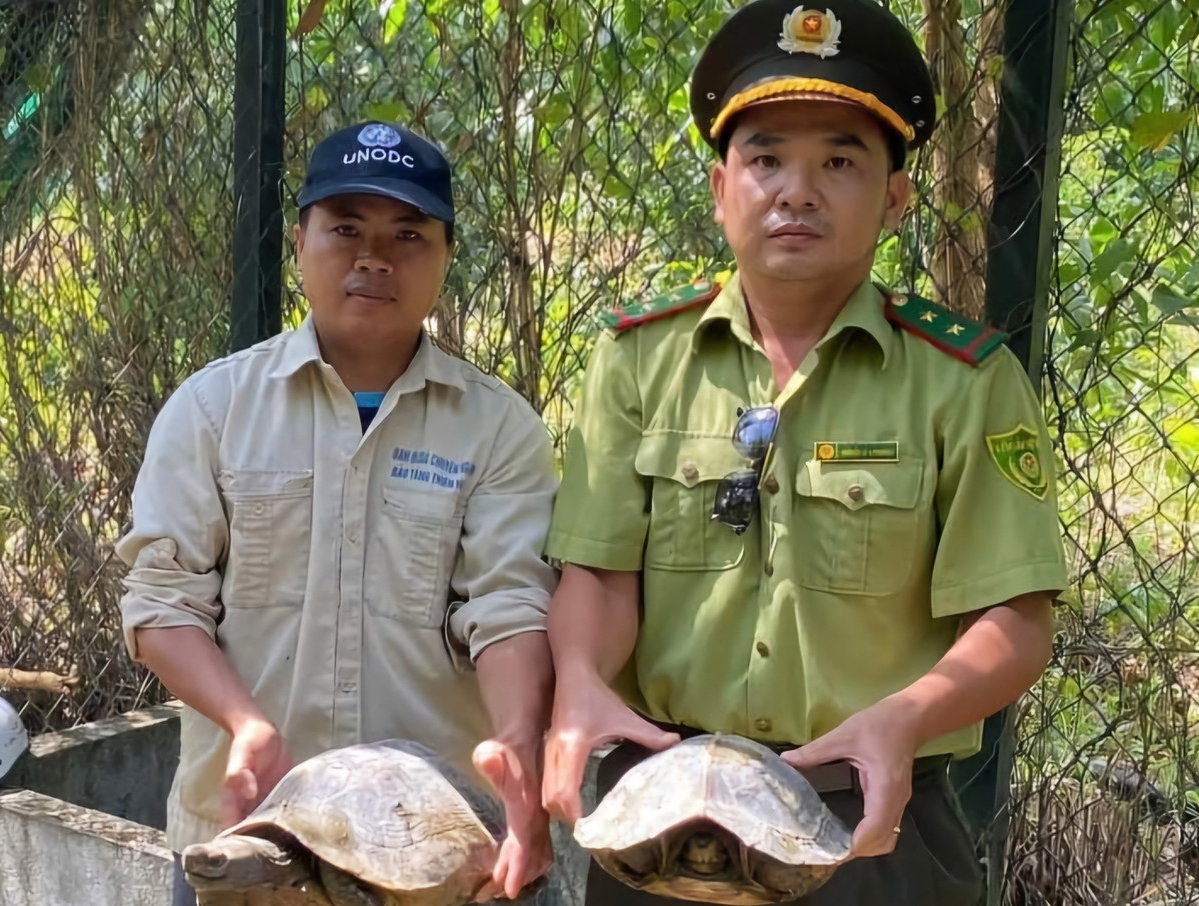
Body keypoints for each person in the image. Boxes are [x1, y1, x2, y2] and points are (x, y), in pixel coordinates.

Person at [538, 1, 1067, 903]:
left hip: (867, 823)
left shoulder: (964, 382)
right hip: (666, 819)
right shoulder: (638, 360)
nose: (797, 190)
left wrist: (908, 717)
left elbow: (1017, 619)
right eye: (766, 157)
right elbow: (598, 573)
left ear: (895, 198)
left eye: (840, 161)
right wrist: (580, 682)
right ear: (719, 188)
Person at [117, 121, 557, 905]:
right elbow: (160, 604)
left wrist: (518, 743)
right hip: (251, 840)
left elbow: (509, 604)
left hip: (437, 851)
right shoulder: (213, 410)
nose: (374, 257)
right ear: (300, 241)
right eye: (346, 228)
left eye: (408, 234)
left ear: (448, 255)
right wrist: (247, 725)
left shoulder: (499, 429)